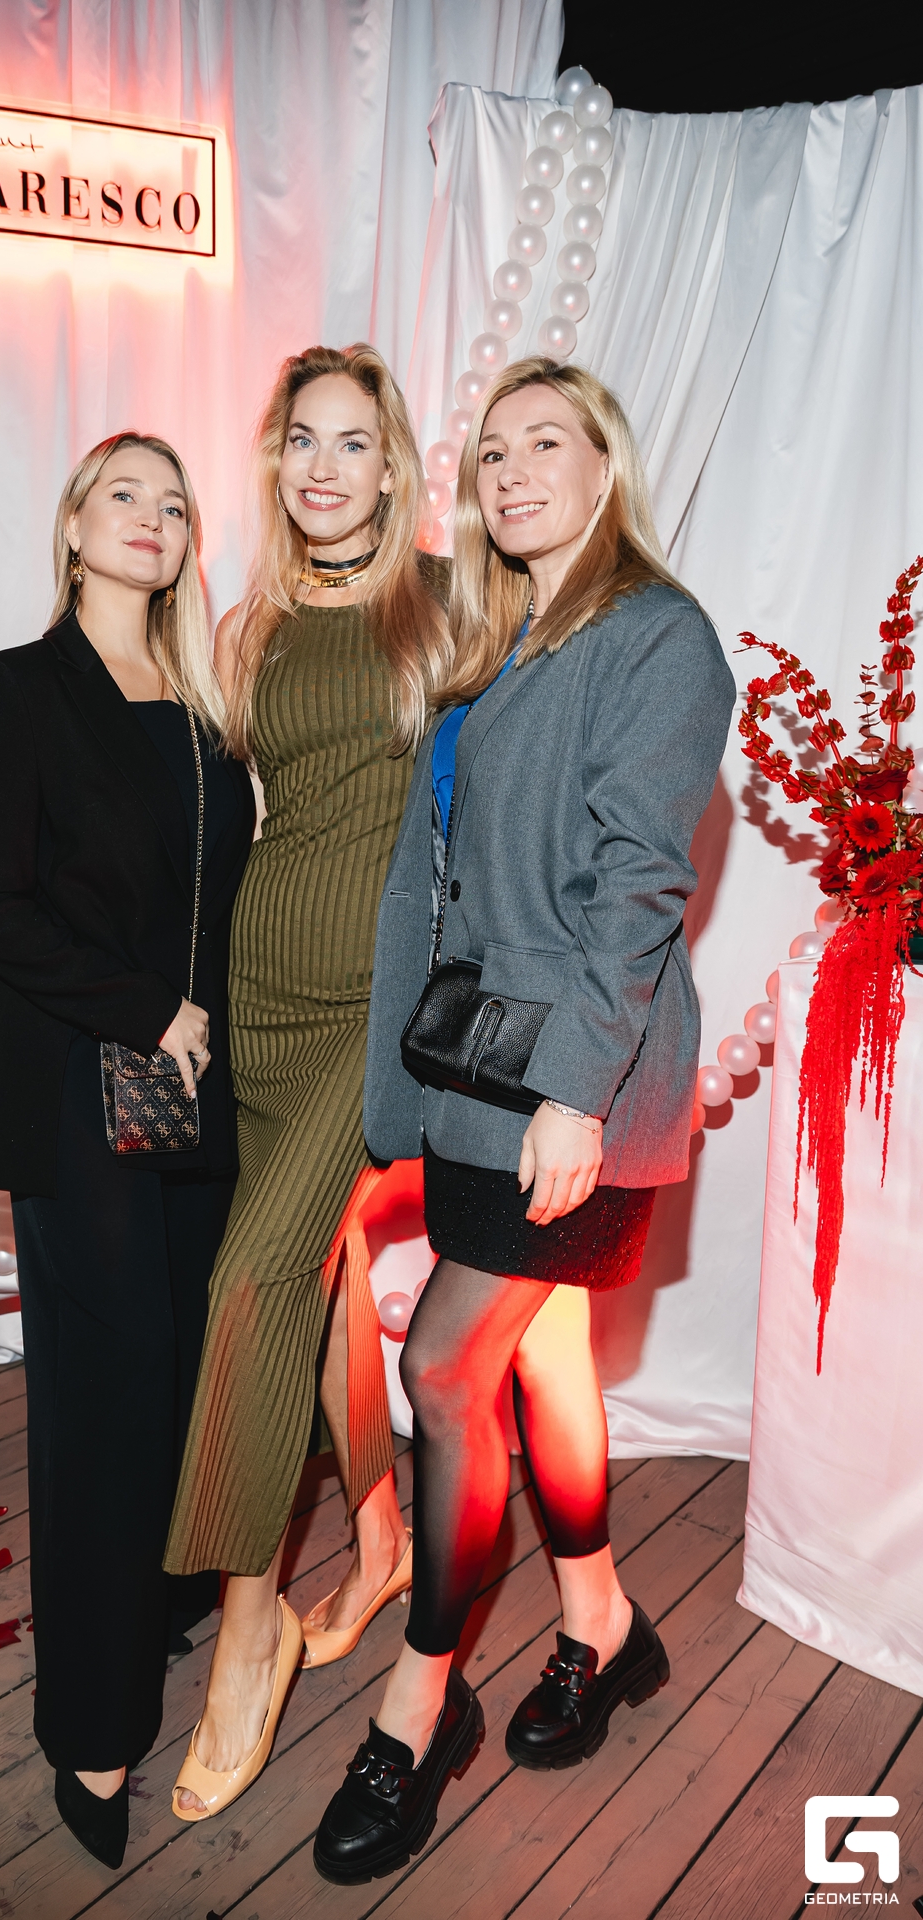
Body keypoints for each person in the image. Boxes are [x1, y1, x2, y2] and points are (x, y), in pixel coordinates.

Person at [312, 357, 736, 1883]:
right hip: (475, 1070)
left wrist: (575, 1094)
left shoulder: (656, 635)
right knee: (543, 1354)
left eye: (546, 443)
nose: (512, 472)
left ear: (605, 465)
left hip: (574, 1082)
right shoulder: (498, 642)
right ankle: (602, 1623)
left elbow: (640, 885)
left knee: (442, 1368)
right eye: (491, 452)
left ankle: (421, 1709)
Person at [0, 433, 255, 1871]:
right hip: (83, 1085)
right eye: (123, 495)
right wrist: (150, 1011)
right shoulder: (17, 687)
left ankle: (159, 1606)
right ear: (75, 528)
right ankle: (91, 1713)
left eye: (173, 504)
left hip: (199, 1096)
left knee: (185, 1373)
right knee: (106, 1395)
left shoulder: (203, 715)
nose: (152, 518)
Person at [163, 344, 452, 1821]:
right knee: (322, 1283)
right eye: (302, 441)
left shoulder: (447, 605)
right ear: (275, 461)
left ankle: (247, 1631)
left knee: (252, 1283)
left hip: (371, 1007)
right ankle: (382, 1536)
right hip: (258, 994)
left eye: (354, 443)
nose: (325, 467)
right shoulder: (251, 625)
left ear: (394, 468)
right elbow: (227, 824)